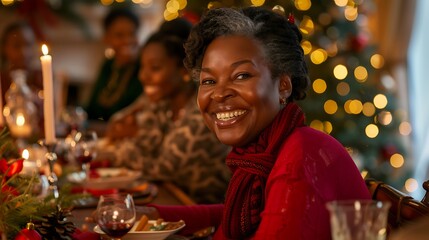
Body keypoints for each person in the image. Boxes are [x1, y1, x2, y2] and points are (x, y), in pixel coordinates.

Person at [137, 7, 371, 239]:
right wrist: (155, 215)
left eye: (241, 76)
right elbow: (239, 216)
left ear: (283, 86)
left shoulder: (301, 156)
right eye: (209, 80)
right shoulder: (262, 150)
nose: (219, 94)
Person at [101, 18, 231, 204]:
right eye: (142, 67)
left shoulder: (203, 111)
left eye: (154, 68)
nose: (143, 76)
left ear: (184, 71)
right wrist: (134, 137)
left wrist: (122, 146)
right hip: (172, 199)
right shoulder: (163, 102)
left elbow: (161, 166)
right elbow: (126, 131)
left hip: (206, 214)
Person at [84, 8, 143, 121]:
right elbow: (92, 107)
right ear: (106, 38)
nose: (127, 40)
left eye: (132, 34)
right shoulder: (109, 65)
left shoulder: (142, 67)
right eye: (119, 35)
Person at [0, 21, 44, 140]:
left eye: (28, 45)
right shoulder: (2, 81)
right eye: (16, 46)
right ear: (5, 48)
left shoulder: (42, 78)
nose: (23, 52)